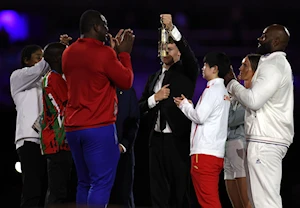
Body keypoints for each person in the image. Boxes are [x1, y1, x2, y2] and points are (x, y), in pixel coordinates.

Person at [62, 9, 135, 207]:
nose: (108, 29)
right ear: (95, 27)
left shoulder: (68, 52)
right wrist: (124, 54)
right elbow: (126, 81)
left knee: (84, 183)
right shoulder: (104, 54)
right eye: (104, 24)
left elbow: (93, 72)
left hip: (73, 128)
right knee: (100, 184)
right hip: (98, 127)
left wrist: (111, 53)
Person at [224, 24, 294, 208]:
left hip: (267, 141)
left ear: (276, 41)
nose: (259, 39)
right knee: (257, 202)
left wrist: (232, 83)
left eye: (264, 36)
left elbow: (254, 100)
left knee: (265, 203)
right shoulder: (272, 63)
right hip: (264, 140)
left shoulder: (274, 65)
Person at [138, 14, 200, 207]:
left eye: (171, 48)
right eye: (163, 47)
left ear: (179, 52)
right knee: (157, 189)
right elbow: (140, 107)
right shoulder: (153, 77)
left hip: (177, 139)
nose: (166, 50)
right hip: (155, 140)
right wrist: (154, 99)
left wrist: (171, 27)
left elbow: (189, 55)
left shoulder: (186, 72)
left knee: (179, 188)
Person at [174, 52, 231, 208]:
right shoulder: (222, 91)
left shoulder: (213, 90)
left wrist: (184, 106)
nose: (202, 68)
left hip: (205, 154)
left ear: (215, 69)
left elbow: (199, 117)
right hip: (214, 153)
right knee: (208, 200)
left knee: (209, 202)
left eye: (205, 65)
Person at [10, 44, 49, 208]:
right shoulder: (18, 77)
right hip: (29, 139)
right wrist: (55, 50)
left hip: (48, 140)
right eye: (38, 57)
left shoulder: (47, 81)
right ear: (26, 60)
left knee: (49, 188)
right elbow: (39, 69)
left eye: (43, 57)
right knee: (32, 188)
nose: (41, 60)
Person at [224, 54, 260, 208]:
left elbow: (231, 120)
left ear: (255, 71)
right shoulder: (237, 95)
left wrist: (226, 103)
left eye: (245, 65)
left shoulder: (253, 96)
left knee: (247, 203)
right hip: (227, 148)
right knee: (236, 204)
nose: (240, 68)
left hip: (241, 146)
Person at [40, 42, 73, 207]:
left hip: (58, 141)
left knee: (59, 191)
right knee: (57, 193)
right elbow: (70, 104)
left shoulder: (53, 78)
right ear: (56, 58)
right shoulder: (54, 79)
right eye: (66, 53)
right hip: (58, 142)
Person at [110, 87, 140, 208]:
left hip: (123, 154)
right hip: (100, 153)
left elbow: (134, 121)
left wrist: (123, 145)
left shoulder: (127, 91)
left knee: (124, 195)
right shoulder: (98, 89)